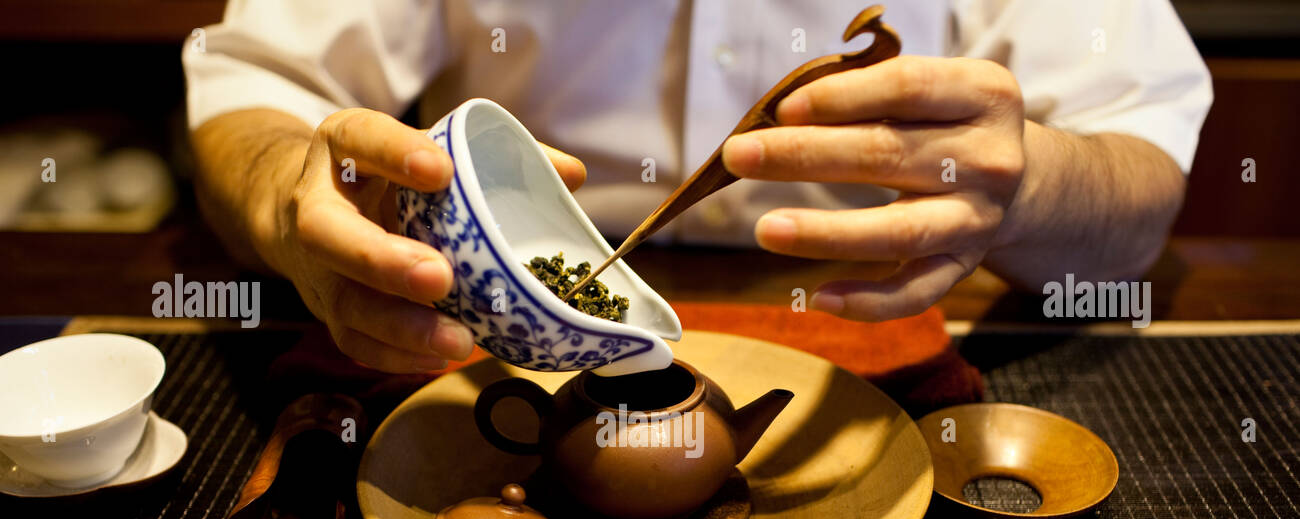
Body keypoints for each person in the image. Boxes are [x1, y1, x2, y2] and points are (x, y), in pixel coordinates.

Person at [183, 0, 1212, 373]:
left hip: (879, 342)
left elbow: (1140, 178)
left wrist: (1028, 185)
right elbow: (260, 83)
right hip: (466, 356)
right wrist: (286, 196)